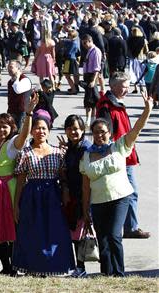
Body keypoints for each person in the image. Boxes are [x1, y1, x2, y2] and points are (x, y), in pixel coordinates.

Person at [80, 92, 153, 276]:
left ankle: (119, 273)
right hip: (97, 202)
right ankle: (106, 273)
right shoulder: (87, 155)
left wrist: (147, 111)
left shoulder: (119, 146)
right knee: (103, 239)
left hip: (120, 198)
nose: (99, 136)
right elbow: (85, 185)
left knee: (114, 235)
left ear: (109, 133)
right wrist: (85, 210)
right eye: (95, 132)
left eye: (103, 132)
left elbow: (136, 130)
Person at [0, 93, 38, 275]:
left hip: (5, 189)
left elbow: (24, 134)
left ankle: (11, 266)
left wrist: (28, 114)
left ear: (11, 128)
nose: (1, 130)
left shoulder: (12, 144)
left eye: (5, 127)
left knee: (6, 227)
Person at [12, 111, 75, 276]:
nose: (40, 131)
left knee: (55, 230)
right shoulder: (25, 153)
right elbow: (20, 181)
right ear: (32, 131)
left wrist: (66, 191)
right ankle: (33, 267)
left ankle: (54, 266)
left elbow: (63, 176)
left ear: (49, 131)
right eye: (37, 128)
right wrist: (16, 205)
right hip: (32, 195)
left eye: (44, 128)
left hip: (53, 195)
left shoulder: (57, 152)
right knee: (32, 231)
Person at [96, 72, 150, 239]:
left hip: (124, 153)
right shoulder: (107, 106)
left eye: (127, 86)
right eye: (124, 86)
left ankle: (127, 226)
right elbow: (106, 133)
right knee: (130, 192)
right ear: (113, 86)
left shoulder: (115, 103)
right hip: (119, 156)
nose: (127, 90)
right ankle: (129, 227)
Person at [58, 115, 92, 278]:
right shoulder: (71, 147)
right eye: (70, 129)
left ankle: (81, 267)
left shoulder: (85, 148)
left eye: (76, 129)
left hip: (82, 195)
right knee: (73, 233)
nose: (73, 132)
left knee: (79, 234)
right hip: (71, 194)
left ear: (83, 130)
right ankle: (76, 266)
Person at [81, 34, 102, 128]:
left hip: (91, 76)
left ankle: (90, 120)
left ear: (90, 41)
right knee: (91, 100)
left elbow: (97, 68)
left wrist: (93, 80)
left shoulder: (96, 51)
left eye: (85, 43)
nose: (84, 45)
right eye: (83, 43)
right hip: (87, 76)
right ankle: (91, 120)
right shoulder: (89, 50)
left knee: (90, 100)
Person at [6, 60, 32, 130]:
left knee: (20, 134)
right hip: (11, 111)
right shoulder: (10, 81)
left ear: (18, 69)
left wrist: (17, 78)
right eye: (8, 67)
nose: (8, 69)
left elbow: (17, 90)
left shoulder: (25, 80)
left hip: (22, 112)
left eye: (11, 67)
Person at [128, 27, 149, 94]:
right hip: (141, 58)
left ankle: (135, 87)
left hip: (133, 58)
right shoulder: (143, 40)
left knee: (134, 73)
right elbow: (147, 50)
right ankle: (142, 87)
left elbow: (128, 50)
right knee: (141, 73)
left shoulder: (129, 40)